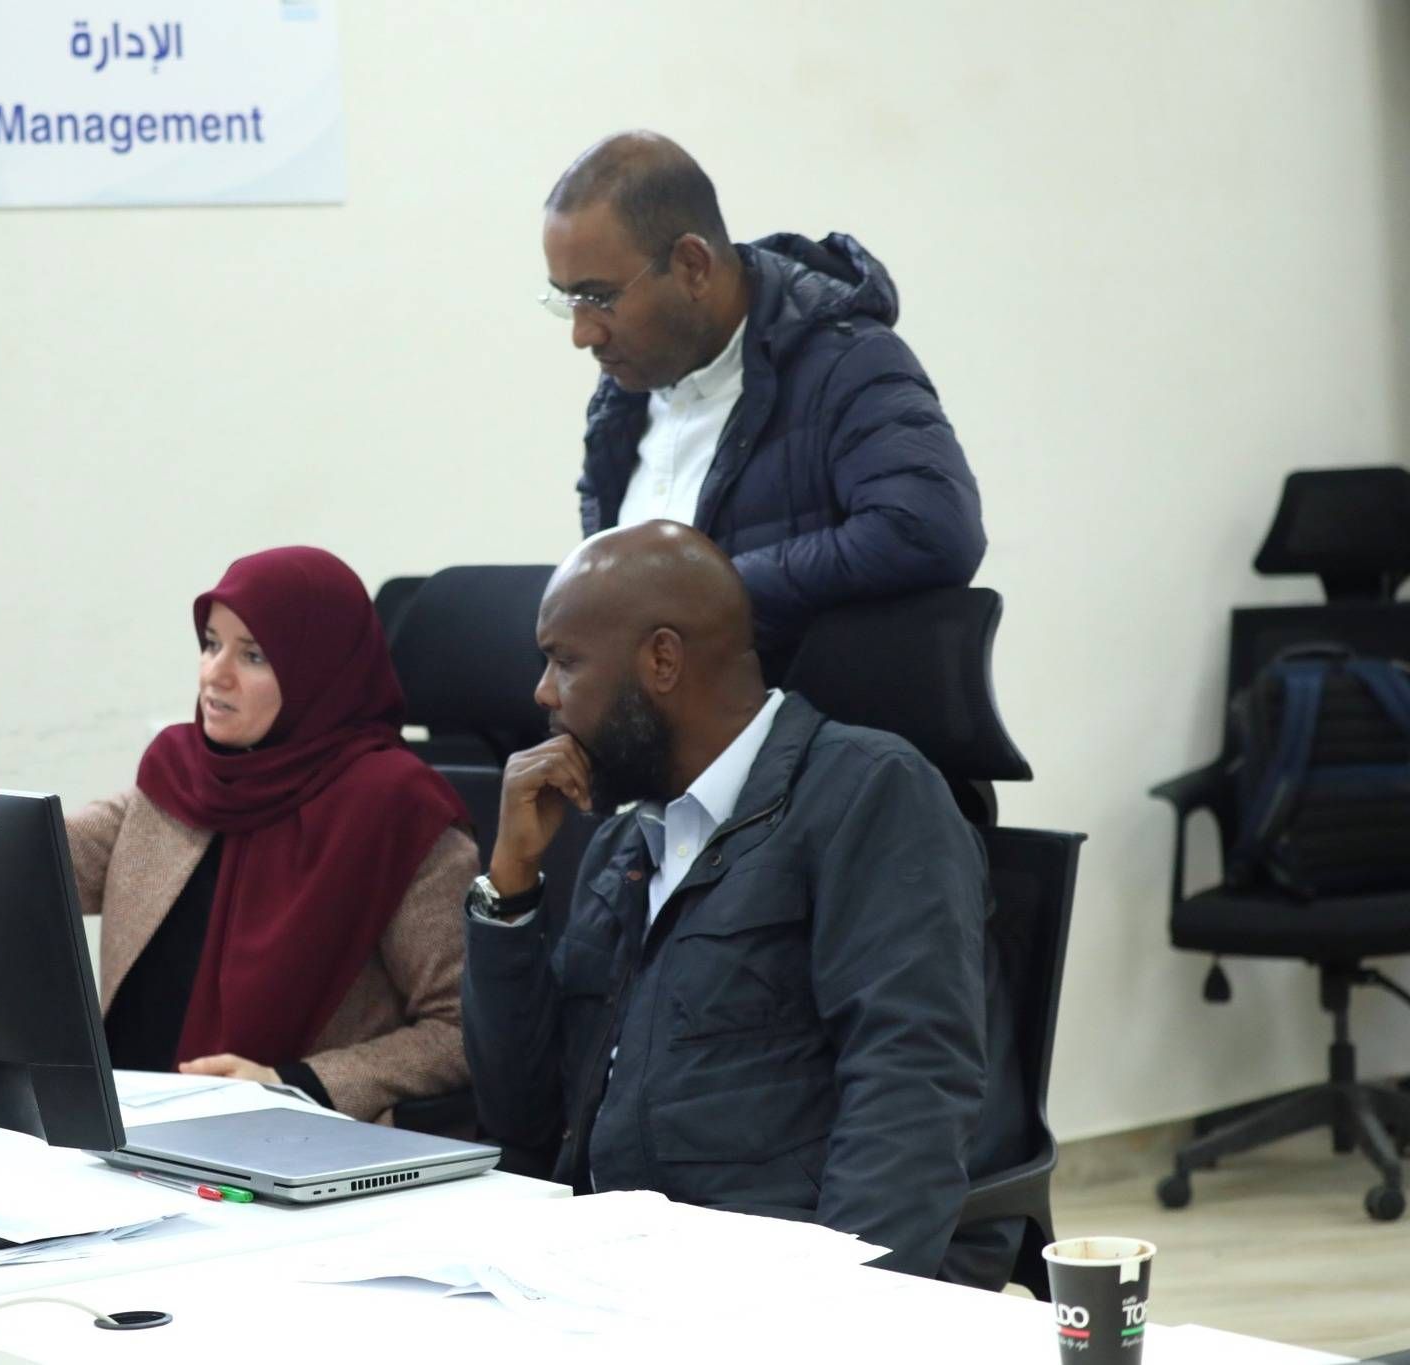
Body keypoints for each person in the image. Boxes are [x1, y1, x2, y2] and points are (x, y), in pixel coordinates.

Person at [460, 521, 1015, 1285]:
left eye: (565, 660)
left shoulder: (868, 794)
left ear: (662, 660)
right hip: (609, 1265)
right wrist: (512, 882)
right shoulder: (624, 844)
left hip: (776, 1276)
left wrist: (844, 1304)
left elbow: (909, 1086)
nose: (543, 693)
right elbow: (521, 1117)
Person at [541, 130, 986, 680]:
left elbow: (928, 530)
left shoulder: (846, 362)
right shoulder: (621, 396)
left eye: (600, 297)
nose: (582, 334)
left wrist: (698, 593)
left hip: (808, 729)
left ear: (692, 266)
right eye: (568, 300)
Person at [65, 546, 477, 1124]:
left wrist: (291, 1085)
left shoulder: (399, 811)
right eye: (211, 644)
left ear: (319, 672)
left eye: (254, 656)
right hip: (121, 1131)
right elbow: (36, 859)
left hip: (292, 1144)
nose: (215, 674)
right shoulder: (182, 775)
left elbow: (463, 1029)